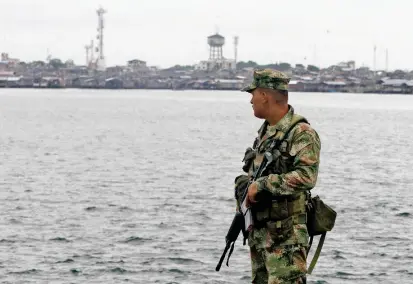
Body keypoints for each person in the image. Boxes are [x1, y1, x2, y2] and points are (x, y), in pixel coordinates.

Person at [236, 69, 321, 284]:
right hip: (261, 234)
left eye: (252, 94)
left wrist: (262, 185)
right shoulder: (266, 132)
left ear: (264, 95)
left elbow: (307, 176)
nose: (251, 101)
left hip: (286, 241)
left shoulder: (301, 132)